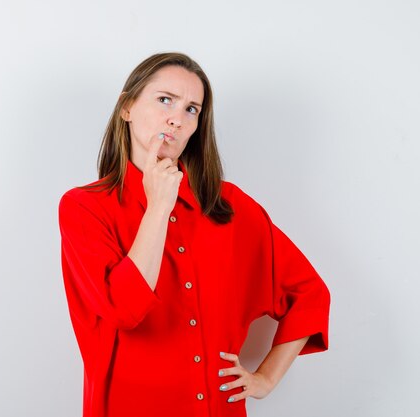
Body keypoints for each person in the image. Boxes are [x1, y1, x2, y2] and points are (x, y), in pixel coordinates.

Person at [57, 52, 330, 417]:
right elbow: (124, 310)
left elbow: (309, 294)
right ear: (127, 107)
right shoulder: (83, 208)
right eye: (165, 99)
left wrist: (265, 378)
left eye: (192, 109)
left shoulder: (229, 205)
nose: (177, 118)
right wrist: (158, 207)